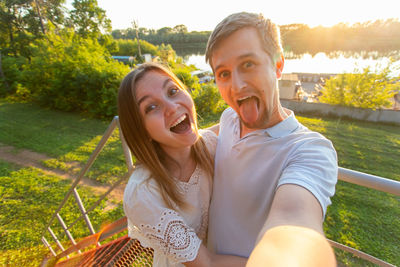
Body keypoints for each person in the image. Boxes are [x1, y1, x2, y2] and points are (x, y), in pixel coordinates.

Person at [205, 12, 338, 265]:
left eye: (247, 64)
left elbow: (294, 221)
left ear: (278, 65)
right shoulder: (229, 119)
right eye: (223, 73)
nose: (237, 85)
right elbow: (199, 140)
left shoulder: (310, 150)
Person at [118, 63, 246, 267]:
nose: (172, 107)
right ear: (141, 130)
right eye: (151, 107)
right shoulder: (143, 194)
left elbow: (241, 123)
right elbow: (208, 263)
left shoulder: (210, 146)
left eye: (172, 91)